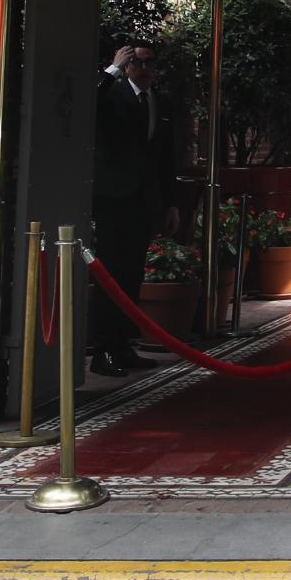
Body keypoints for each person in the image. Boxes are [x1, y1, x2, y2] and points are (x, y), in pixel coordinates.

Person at [90, 43, 174, 378]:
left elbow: (163, 156)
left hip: (142, 199)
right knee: (111, 273)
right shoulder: (113, 93)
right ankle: (104, 350)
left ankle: (124, 344)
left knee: (132, 274)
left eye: (150, 62)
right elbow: (91, 106)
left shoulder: (157, 101)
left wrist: (170, 203)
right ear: (127, 65)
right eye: (137, 62)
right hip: (114, 198)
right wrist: (111, 69)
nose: (145, 68)